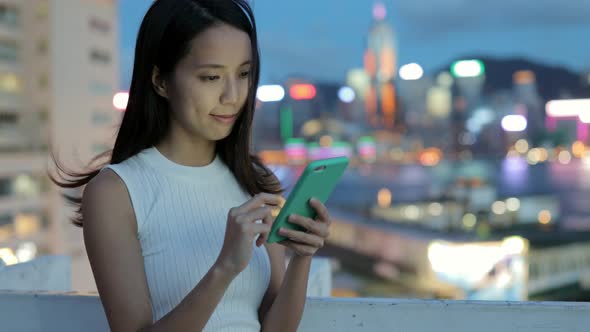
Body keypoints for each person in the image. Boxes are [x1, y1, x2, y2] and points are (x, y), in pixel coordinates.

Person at [50, 0, 332, 331]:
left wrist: (301, 256)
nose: (232, 95)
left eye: (243, 74)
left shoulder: (252, 180)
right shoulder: (116, 193)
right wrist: (225, 267)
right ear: (160, 80)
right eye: (211, 77)